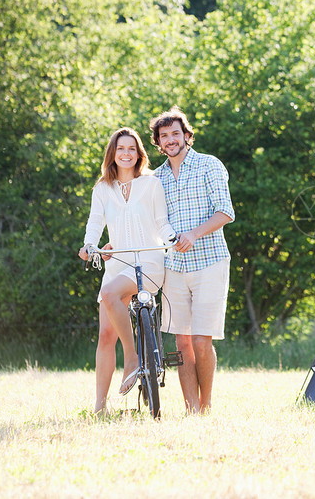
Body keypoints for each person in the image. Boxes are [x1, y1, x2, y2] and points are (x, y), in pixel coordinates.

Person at [78, 127, 175, 415]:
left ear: (139, 153)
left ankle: (132, 359)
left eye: (131, 148)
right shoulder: (102, 188)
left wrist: (174, 240)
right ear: (113, 153)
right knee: (106, 335)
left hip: (149, 261)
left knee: (109, 292)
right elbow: (95, 224)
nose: (126, 153)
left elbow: (162, 223)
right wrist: (89, 245)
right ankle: (99, 406)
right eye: (121, 148)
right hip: (117, 262)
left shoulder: (152, 184)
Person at [149, 106, 234, 413]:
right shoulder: (155, 178)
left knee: (201, 340)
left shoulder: (208, 165)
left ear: (187, 136)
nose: (170, 140)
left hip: (209, 262)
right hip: (173, 267)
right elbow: (147, 222)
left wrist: (194, 234)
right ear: (158, 143)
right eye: (164, 136)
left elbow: (226, 212)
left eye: (175, 134)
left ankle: (207, 405)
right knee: (182, 343)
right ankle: (191, 410)